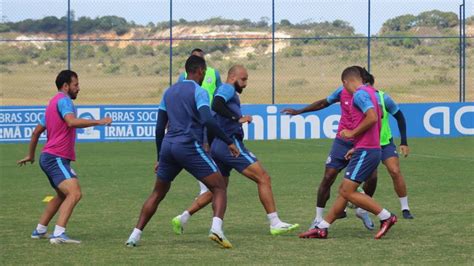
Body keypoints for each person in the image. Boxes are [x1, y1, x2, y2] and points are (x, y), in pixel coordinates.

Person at [125, 55, 239, 249]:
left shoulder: (168, 92)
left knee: (158, 193)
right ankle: (216, 230)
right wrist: (228, 141)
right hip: (187, 146)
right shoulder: (199, 91)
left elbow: (160, 127)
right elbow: (208, 120)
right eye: (204, 72)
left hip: (168, 147)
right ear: (201, 71)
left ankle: (134, 236)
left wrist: (159, 157)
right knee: (219, 186)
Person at [171, 65, 299, 236]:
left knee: (217, 189)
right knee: (263, 177)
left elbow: (215, 114)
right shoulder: (226, 88)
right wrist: (237, 118)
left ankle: (183, 217)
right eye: (243, 79)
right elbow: (216, 105)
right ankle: (275, 222)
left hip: (219, 145)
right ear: (232, 77)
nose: (245, 83)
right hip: (229, 145)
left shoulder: (229, 91)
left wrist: (210, 143)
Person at [299, 66, 397, 239]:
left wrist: (353, 134)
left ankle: (386, 217)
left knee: (347, 191)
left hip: (367, 150)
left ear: (346, 81)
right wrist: (357, 145)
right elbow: (379, 120)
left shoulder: (359, 94)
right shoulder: (372, 93)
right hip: (366, 148)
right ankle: (322, 227)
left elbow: (373, 118)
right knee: (345, 190)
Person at [17, 70, 112, 244]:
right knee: (75, 193)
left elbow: (36, 132)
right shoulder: (64, 101)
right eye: (76, 85)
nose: (78, 88)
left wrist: (31, 155)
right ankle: (59, 234)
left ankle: (40, 230)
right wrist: (99, 121)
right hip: (56, 157)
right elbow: (71, 122)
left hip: (49, 157)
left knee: (62, 195)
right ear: (66, 86)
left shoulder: (52, 103)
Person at [281, 79, 377, 231]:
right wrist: (300, 111)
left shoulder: (370, 95)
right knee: (328, 176)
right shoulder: (342, 91)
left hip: (363, 142)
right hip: (342, 141)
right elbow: (323, 103)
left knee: (372, 178)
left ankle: (362, 209)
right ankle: (318, 218)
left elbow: (378, 119)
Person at [358, 68, 414, 219]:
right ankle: (359, 202)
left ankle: (405, 208)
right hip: (367, 144)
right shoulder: (356, 98)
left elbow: (399, 116)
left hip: (385, 142)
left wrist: (404, 142)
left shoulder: (383, 97)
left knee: (395, 171)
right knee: (370, 178)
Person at [178, 48, 223, 200]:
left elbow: (219, 91)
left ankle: (213, 184)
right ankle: (205, 188)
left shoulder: (213, 73)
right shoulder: (183, 76)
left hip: (211, 116)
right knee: (200, 150)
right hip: (194, 119)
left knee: (212, 149)